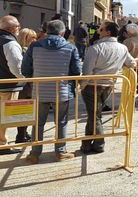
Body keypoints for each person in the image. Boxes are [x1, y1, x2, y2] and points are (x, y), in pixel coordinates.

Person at [22, 20, 81, 164]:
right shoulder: (70, 47)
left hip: (39, 90)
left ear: (46, 31)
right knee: (61, 122)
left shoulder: (34, 46)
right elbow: (77, 71)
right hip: (61, 91)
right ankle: (60, 152)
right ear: (62, 32)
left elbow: (25, 69)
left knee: (38, 122)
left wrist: (34, 79)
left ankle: (34, 154)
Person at [81, 21, 136, 154]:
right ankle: (87, 144)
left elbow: (87, 71)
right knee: (95, 115)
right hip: (109, 85)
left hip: (92, 85)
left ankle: (99, 144)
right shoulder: (122, 48)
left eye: (101, 30)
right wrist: (118, 67)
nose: (98, 32)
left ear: (108, 32)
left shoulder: (95, 48)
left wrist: (81, 86)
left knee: (94, 116)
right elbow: (132, 63)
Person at [0, 15, 25, 155]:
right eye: (18, 26)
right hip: (7, 87)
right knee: (4, 118)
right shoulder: (10, 43)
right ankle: (2, 145)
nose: (19, 29)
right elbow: (16, 67)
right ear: (12, 28)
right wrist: (24, 78)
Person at [15, 28, 37, 144]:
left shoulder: (25, 50)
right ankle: (21, 135)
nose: (35, 40)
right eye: (32, 37)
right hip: (26, 86)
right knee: (24, 111)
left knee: (25, 111)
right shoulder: (25, 51)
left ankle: (23, 133)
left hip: (26, 85)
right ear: (25, 38)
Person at [123, 23, 138, 110]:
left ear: (129, 32)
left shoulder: (127, 42)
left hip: (131, 67)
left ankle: (131, 103)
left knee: (130, 86)